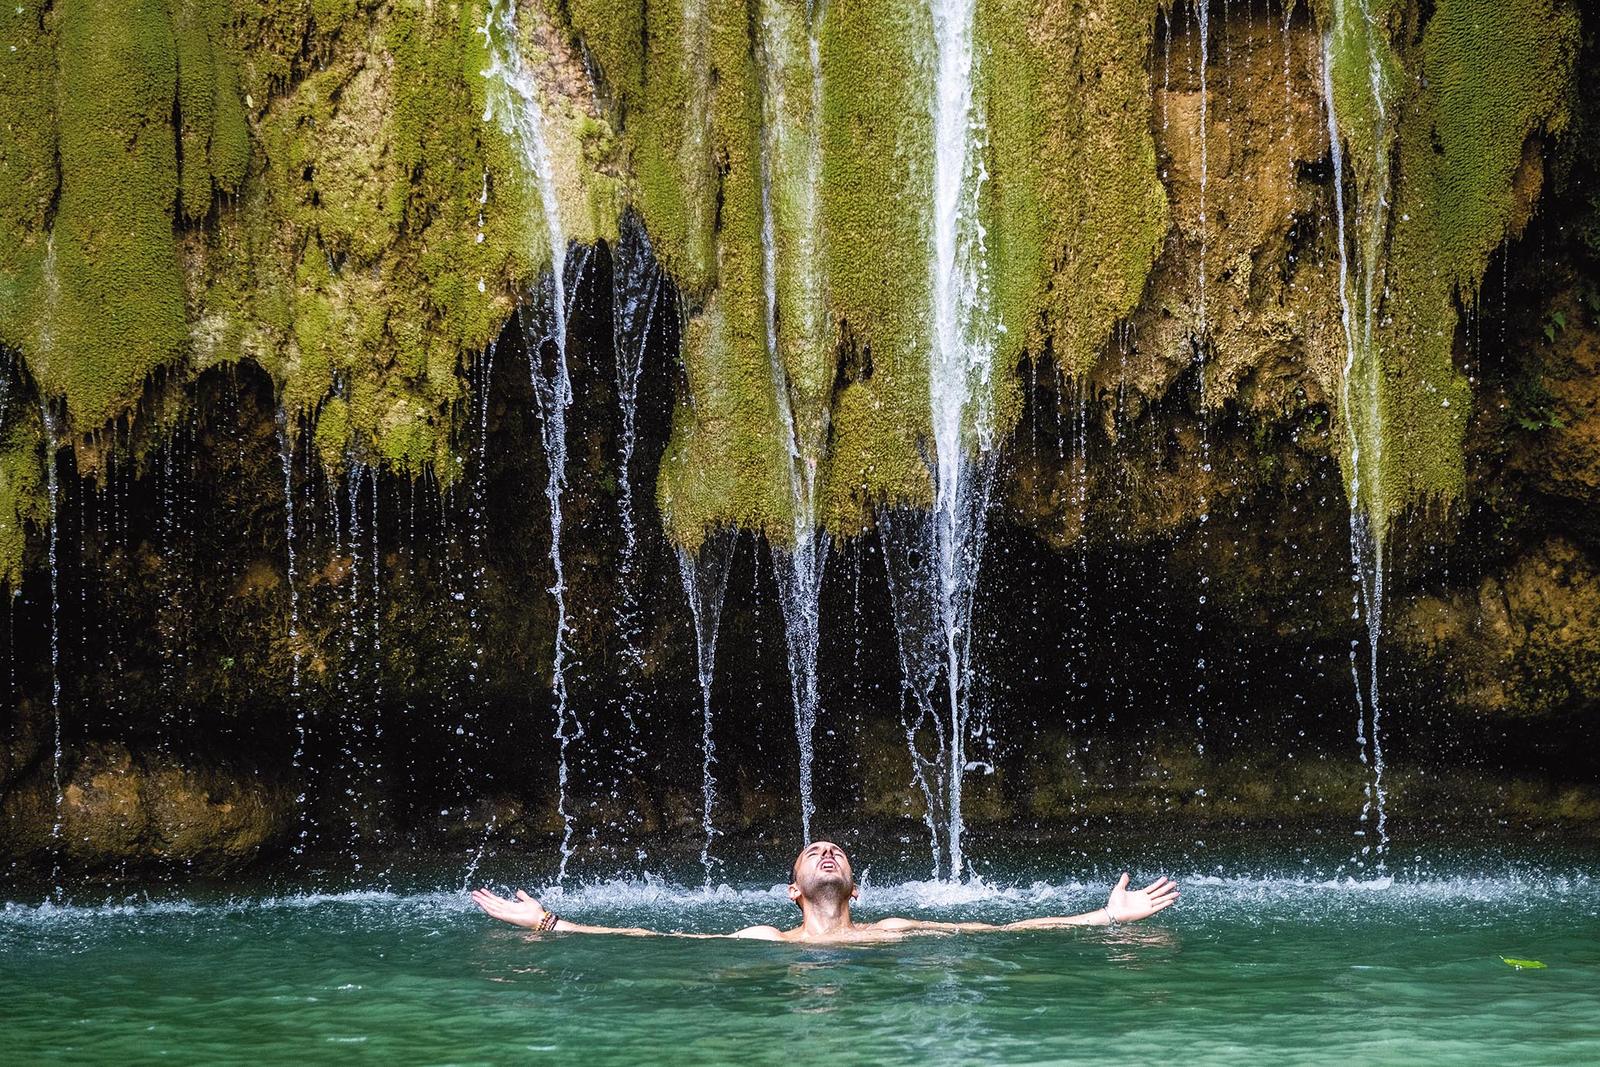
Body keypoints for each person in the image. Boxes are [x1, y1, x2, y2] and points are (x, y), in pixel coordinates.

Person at [470, 840, 1180, 943]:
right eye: (813, 851)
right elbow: (661, 939)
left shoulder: (891, 928)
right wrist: (552, 923)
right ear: (794, 890)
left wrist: (1103, 915)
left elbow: (1001, 932)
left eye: (835, 849)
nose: (827, 851)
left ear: (856, 888)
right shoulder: (766, 940)